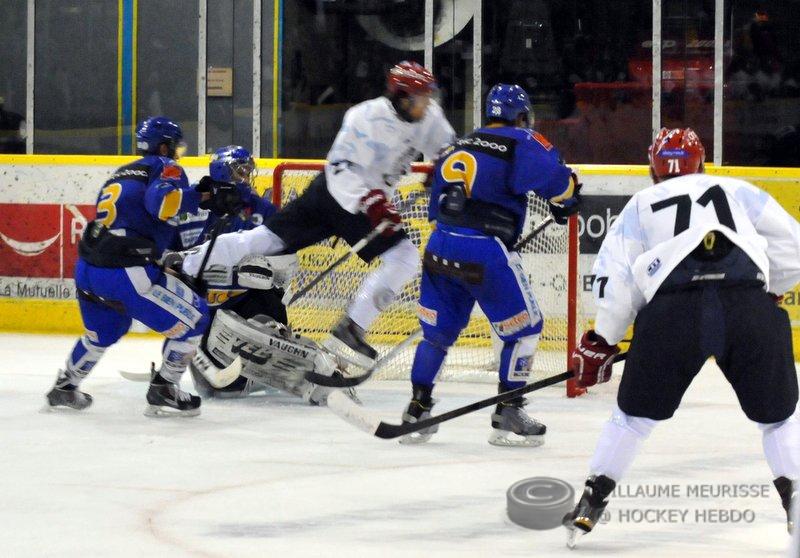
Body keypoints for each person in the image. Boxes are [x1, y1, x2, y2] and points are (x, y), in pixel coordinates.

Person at [564, 128, 800, 544]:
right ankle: (796, 502)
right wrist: (768, 287)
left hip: (674, 313)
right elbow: (794, 246)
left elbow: (617, 283)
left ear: (653, 167)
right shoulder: (737, 190)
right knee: (778, 418)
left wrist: (603, 340)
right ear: (702, 161)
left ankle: (592, 500)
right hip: (746, 307)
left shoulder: (640, 204)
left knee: (633, 419)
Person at [181, 61, 456, 368]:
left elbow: (448, 149)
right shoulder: (365, 117)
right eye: (420, 98)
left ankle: (351, 328)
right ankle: (190, 263)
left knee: (403, 257)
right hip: (333, 194)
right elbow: (340, 167)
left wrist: (442, 166)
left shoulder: (429, 116)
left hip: (367, 202)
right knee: (267, 240)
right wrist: (373, 202)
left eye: (428, 97)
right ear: (402, 98)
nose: (427, 104)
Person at [399, 84, 582, 446]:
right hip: (484, 251)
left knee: (436, 336)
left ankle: (417, 409)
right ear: (521, 116)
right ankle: (508, 410)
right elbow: (560, 184)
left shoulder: (459, 144)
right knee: (525, 329)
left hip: (439, 246)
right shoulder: (521, 140)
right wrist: (568, 199)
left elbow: (437, 202)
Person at [45, 117, 239, 417]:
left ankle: (65, 386)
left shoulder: (121, 173)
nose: (176, 154)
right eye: (175, 147)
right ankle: (165, 388)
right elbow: (162, 204)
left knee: (103, 333)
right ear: (163, 147)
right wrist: (202, 197)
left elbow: (135, 222)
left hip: (88, 269)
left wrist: (195, 198)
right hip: (124, 271)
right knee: (197, 318)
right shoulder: (165, 165)